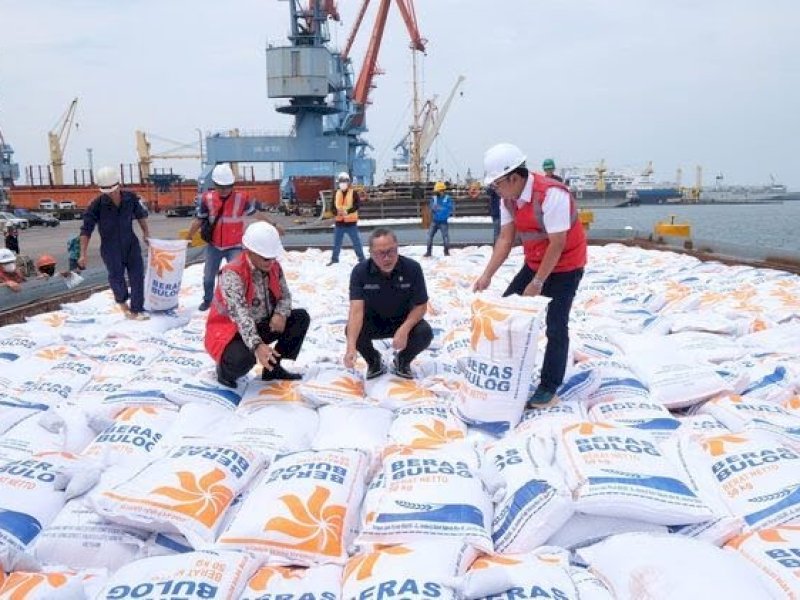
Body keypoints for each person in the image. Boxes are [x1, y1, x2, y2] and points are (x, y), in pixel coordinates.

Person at [474, 143, 587, 408]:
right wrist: (487, 275)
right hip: (535, 261)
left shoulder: (551, 194)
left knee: (556, 325)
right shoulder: (508, 200)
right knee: (506, 312)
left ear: (514, 177)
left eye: (497, 184)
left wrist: (537, 284)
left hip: (566, 265)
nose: (495, 189)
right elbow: (505, 238)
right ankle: (508, 373)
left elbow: (557, 243)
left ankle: (548, 387)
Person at [205, 221, 309, 388]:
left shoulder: (274, 266)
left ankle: (272, 369)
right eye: (265, 258)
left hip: (262, 323)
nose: (270, 262)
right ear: (250, 251)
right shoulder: (232, 273)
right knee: (244, 358)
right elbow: (240, 316)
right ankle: (224, 372)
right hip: (233, 333)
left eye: (273, 257)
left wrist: (280, 314)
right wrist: (257, 346)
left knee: (300, 318)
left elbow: (285, 296)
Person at [344, 228, 433, 379]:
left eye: (391, 251)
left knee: (425, 333)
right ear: (371, 253)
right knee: (351, 331)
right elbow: (356, 310)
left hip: (403, 320)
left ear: (397, 247)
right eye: (380, 253)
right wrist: (350, 347)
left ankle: (403, 360)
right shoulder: (360, 272)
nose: (387, 258)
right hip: (373, 321)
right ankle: (373, 361)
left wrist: (405, 328)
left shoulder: (412, 268)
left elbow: (421, 305)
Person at [79, 166, 151, 320]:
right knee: (116, 277)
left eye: (113, 189)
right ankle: (122, 302)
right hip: (110, 248)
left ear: (118, 184)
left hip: (131, 244)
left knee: (137, 276)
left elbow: (140, 216)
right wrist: (82, 254)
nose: (111, 193)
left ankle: (137, 309)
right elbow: (86, 231)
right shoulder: (96, 205)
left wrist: (146, 233)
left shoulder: (130, 198)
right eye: (107, 191)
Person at [187, 163, 258, 312]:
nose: (225, 190)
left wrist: (274, 224)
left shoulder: (242, 198)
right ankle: (207, 300)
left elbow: (256, 214)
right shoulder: (207, 199)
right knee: (208, 277)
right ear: (214, 184)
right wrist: (188, 237)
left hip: (235, 246)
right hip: (214, 246)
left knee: (238, 276)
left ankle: (240, 301)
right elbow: (199, 220)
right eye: (221, 187)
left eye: (228, 186)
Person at [328, 171, 366, 265]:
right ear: (338, 183)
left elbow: (357, 205)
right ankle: (334, 260)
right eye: (341, 181)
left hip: (351, 223)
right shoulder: (336, 193)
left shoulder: (353, 193)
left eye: (344, 181)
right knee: (337, 243)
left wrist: (347, 211)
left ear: (348, 182)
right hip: (339, 223)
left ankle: (362, 260)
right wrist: (336, 212)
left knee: (356, 243)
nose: (343, 183)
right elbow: (332, 207)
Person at [424, 181, 453, 257]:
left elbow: (449, 209)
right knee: (430, 236)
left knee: (445, 237)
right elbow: (431, 207)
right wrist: (436, 208)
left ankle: (446, 252)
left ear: (442, 190)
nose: (436, 192)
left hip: (443, 221)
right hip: (435, 221)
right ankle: (428, 252)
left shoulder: (447, 198)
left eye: (438, 191)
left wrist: (438, 209)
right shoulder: (434, 198)